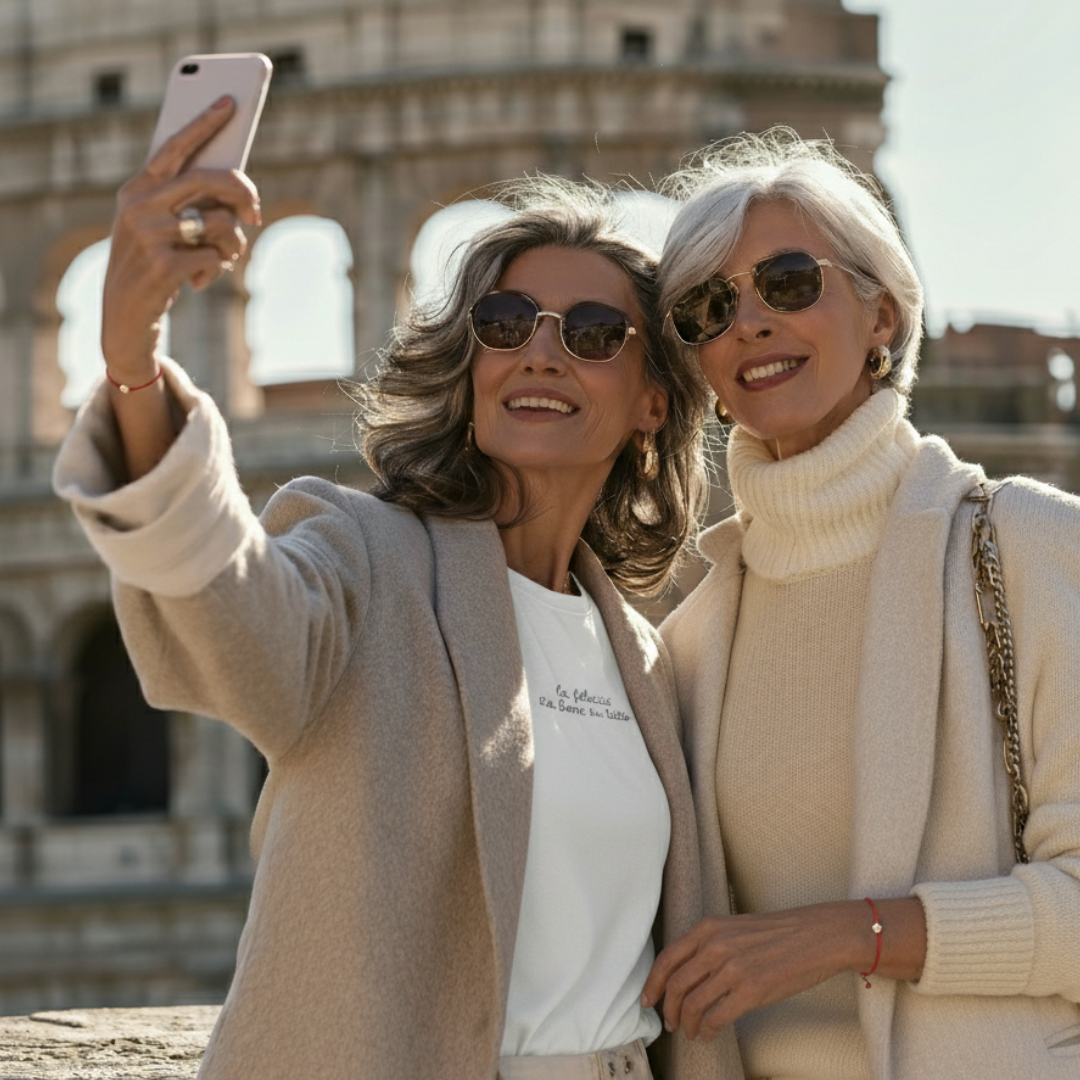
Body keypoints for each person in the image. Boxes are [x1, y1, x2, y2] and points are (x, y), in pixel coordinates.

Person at [52, 101, 747, 1080]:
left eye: (594, 333)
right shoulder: (366, 555)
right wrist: (133, 366)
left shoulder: (641, 651)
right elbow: (233, 623)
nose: (541, 351)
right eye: (506, 324)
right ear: (471, 368)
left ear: (653, 403)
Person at [639, 127, 1080, 1079]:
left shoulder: (1033, 548)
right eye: (709, 309)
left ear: (881, 313)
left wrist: (852, 935)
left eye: (789, 282)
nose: (748, 322)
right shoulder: (688, 645)